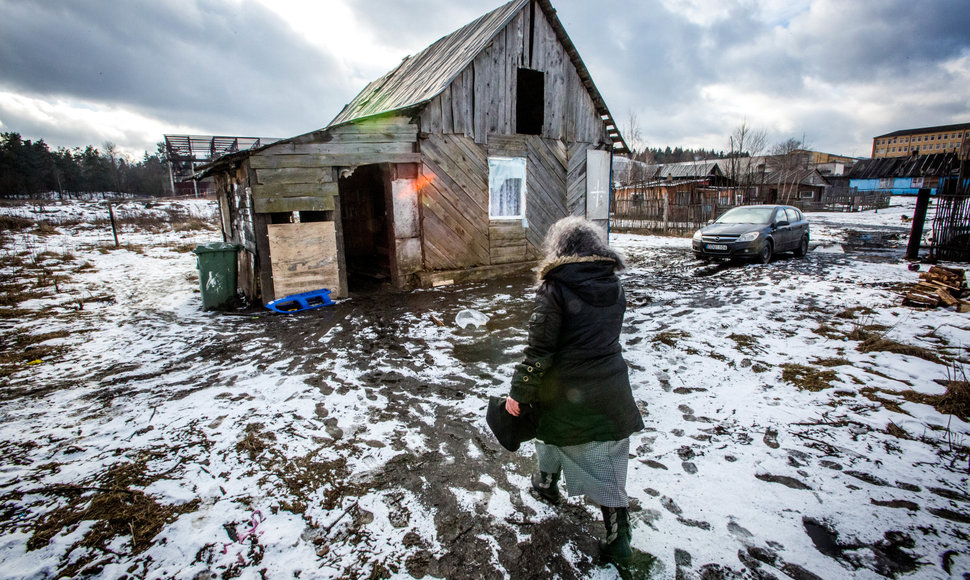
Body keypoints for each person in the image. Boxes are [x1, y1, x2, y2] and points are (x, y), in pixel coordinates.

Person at [505, 216, 644, 565]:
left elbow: (539, 351)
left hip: (565, 391)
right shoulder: (614, 284)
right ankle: (617, 536)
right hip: (612, 388)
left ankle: (547, 485)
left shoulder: (555, 287)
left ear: (561, 248)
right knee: (609, 457)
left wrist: (519, 392)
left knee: (548, 431)